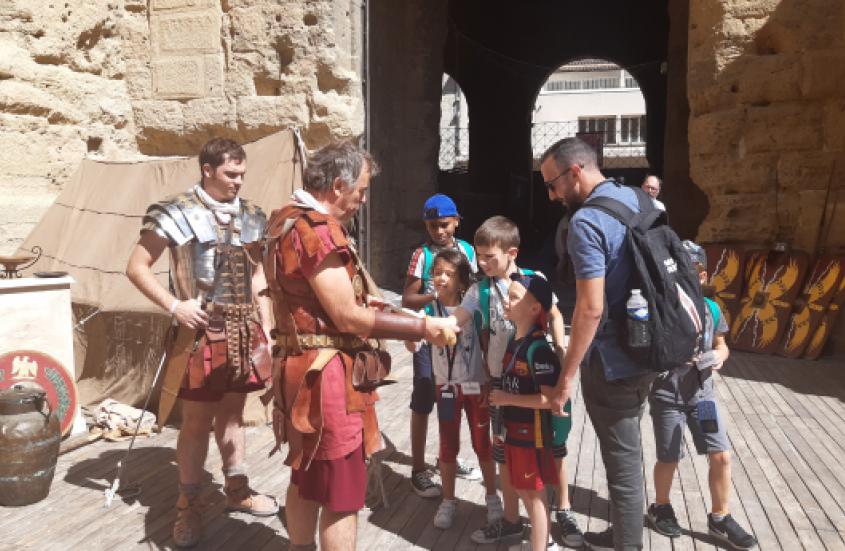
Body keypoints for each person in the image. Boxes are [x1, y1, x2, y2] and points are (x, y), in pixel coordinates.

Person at [262, 141, 460, 551]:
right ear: (337, 185)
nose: (363, 200)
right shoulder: (314, 229)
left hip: (303, 368)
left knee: (307, 476)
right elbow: (347, 318)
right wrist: (423, 327)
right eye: (361, 191)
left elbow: (324, 301)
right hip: (325, 377)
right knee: (341, 495)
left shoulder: (285, 219)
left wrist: (369, 304)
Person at [126, 138, 277, 548]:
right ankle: (187, 506)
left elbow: (258, 275)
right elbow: (136, 267)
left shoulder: (251, 214)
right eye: (231, 174)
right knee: (195, 422)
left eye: (243, 174)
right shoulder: (176, 210)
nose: (239, 182)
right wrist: (175, 305)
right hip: (199, 332)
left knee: (233, 417)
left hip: (244, 332)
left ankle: (237, 489)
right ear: (207, 169)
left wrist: (269, 328)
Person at [541, 137, 656, 551]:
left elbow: (589, 310)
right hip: (650, 348)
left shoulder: (586, 222)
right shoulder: (639, 200)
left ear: (575, 173)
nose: (552, 196)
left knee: (622, 464)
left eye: (552, 185)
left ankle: (628, 545)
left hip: (613, 360)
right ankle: (623, 533)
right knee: (628, 450)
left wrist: (567, 376)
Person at [449, 216, 581, 548]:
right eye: (478, 256)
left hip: (537, 381)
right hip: (502, 384)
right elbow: (456, 320)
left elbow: (553, 314)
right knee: (504, 453)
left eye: (489, 257)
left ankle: (562, 511)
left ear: (512, 252)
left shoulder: (534, 281)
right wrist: (421, 328)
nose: (482, 263)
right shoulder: (479, 289)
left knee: (554, 448)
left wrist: (561, 352)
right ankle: (510, 520)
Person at [646, 241, 757, 550]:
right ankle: (661, 506)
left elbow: (721, 342)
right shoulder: (663, 307)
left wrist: (719, 355)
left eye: (691, 271)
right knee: (669, 456)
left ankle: (720, 517)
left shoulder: (711, 308)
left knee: (721, 455)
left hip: (703, 396)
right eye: (678, 269)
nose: (685, 276)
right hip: (668, 394)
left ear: (704, 276)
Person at [402, 194, 479, 498]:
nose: (439, 231)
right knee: (424, 395)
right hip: (427, 337)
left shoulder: (468, 250)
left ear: (457, 221)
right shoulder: (421, 255)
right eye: (432, 226)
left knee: (456, 398)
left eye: (444, 224)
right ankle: (418, 470)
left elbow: (476, 288)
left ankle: (448, 456)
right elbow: (408, 299)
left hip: (460, 336)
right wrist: (436, 295)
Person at [417, 249, 499, 529]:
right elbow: (413, 342)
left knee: (482, 444)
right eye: (436, 272)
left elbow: (488, 341)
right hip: (447, 386)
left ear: (462, 279)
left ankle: (492, 498)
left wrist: (490, 379)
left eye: (448, 274)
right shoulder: (428, 310)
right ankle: (449, 500)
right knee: (447, 444)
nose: (441, 278)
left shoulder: (473, 305)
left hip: (477, 385)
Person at [490, 272, 563, 551]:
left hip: (532, 436)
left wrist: (507, 398)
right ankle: (537, 544)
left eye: (513, 297)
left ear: (534, 309)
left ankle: (541, 547)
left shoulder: (539, 349)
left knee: (534, 496)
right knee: (520, 488)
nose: (506, 303)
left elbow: (550, 400)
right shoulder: (515, 341)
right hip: (513, 432)